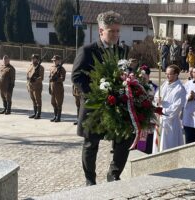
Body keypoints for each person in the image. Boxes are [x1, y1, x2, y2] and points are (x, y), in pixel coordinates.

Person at [71, 10, 131, 186]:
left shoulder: (122, 50)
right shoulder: (88, 50)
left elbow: (125, 74)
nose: (116, 34)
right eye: (112, 31)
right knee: (91, 144)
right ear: (101, 31)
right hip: (95, 107)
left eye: (118, 31)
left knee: (124, 138)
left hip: (117, 106)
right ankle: (90, 179)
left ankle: (114, 174)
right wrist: (96, 95)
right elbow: (76, 77)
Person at [152, 64, 186, 153]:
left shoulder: (180, 89)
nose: (167, 76)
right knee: (158, 145)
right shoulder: (164, 84)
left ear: (176, 74)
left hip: (170, 122)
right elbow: (156, 98)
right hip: (160, 120)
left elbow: (176, 108)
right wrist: (157, 101)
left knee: (168, 145)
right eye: (166, 74)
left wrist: (162, 111)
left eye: (169, 74)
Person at [137, 65, 158, 154]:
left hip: (149, 117)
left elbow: (157, 102)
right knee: (140, 142)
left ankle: (148, 155)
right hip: (139, 117)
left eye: (143, 75)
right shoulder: (136, 87)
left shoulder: (155, 87)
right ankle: (140, 154)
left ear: (148, 75)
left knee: (148, 141)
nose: (141, 77)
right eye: (140, 76)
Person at [49, 55, 66, 122]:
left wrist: (56, 79)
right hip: (52, 87)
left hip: (58, 88)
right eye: (53, 60)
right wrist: (49, 87)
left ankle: (58, 117)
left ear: (59, 61)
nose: (54, 61)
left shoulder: (62, 69)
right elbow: (50, 78)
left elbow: (63, 78)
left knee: (58, 103)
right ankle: (55, 116)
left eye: (55, 60)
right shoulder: (52, 68)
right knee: (53, 102)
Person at [27, 54, 44, 119]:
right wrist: (28, 84)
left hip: (37, 87)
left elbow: (41, 78)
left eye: (34, 58)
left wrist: (35, 79)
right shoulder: (30, 66)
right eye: (32, 58)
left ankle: (38, 114)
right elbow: (28, 75)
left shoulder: (41, 68)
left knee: (38, 100)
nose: (32, 59)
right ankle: (34, 113)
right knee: (33, 100)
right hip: (30, 86)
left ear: (37, 59)